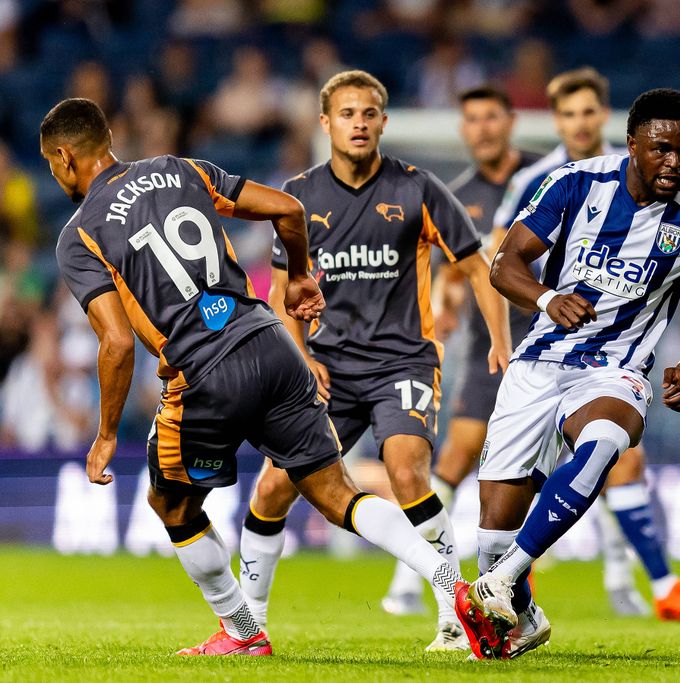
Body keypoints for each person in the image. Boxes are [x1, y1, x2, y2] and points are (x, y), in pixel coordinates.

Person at [44, 97, 492, 656]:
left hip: (203, 371)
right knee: (335, 492)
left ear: (64, 157)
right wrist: (300, 277)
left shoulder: (79, 234)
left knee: (174, 507)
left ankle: (242, 630)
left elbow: (114, 342)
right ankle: (455, 588)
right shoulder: (181, 169)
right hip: (271, 341)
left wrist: (107, 433)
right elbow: (288, 209)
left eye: (52, 165)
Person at [457, 88, 680, 659]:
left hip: (617, 368)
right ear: (633, 144)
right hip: (540, 361)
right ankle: (523, 610)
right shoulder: (575, 183)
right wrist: (545, 300)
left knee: (608, 437)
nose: (674, 163)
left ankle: (509, 574)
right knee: (491, 533)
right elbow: (504, 263)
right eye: (662, 149)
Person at [237, 70, 511, 653]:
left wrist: (499, 337)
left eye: (368, 114)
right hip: (327, 369)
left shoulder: (418, 189)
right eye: (347, 114)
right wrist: (299, 355)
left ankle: (451, 618)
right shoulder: (298, 197)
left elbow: (476, 263)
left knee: (408, 469)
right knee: (272, 489)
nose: (358, 123)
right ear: (325, 124)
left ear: (384, 122)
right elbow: (282, 291)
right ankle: (248, 627)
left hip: (403, 363)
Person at [497, 67, 680, 623]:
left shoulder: (658, 174)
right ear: (556, 120)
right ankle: (507, 590)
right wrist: (516, 322)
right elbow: (501, 259)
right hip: (542, 340)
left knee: (616, 456)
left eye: (589, 111)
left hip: (614, 362)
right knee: (501, 489)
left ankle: (649, 582)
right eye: (568, 113)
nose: (580, 122)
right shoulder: (544, 178)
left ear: (607, 119)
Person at [380, 85, 540, 617]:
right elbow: (451, 270)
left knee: (605, 461)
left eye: (491, 117)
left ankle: (627, 583)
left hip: (558, 342)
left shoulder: (546, 179)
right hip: (491, 352)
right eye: (472, 120)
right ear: (464, 129)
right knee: (455, 457)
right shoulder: (458, 195)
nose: (483, 129)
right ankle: (412, 579)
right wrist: (446, 304)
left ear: (510, 122)